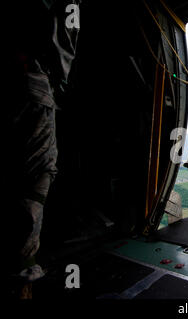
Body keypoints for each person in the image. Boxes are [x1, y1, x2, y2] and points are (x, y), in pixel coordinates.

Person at [4, 0, 81, 298]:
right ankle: (22, 279)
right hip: (33, 83)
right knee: (34, 181)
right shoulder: (70, 5)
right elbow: (66, 36)